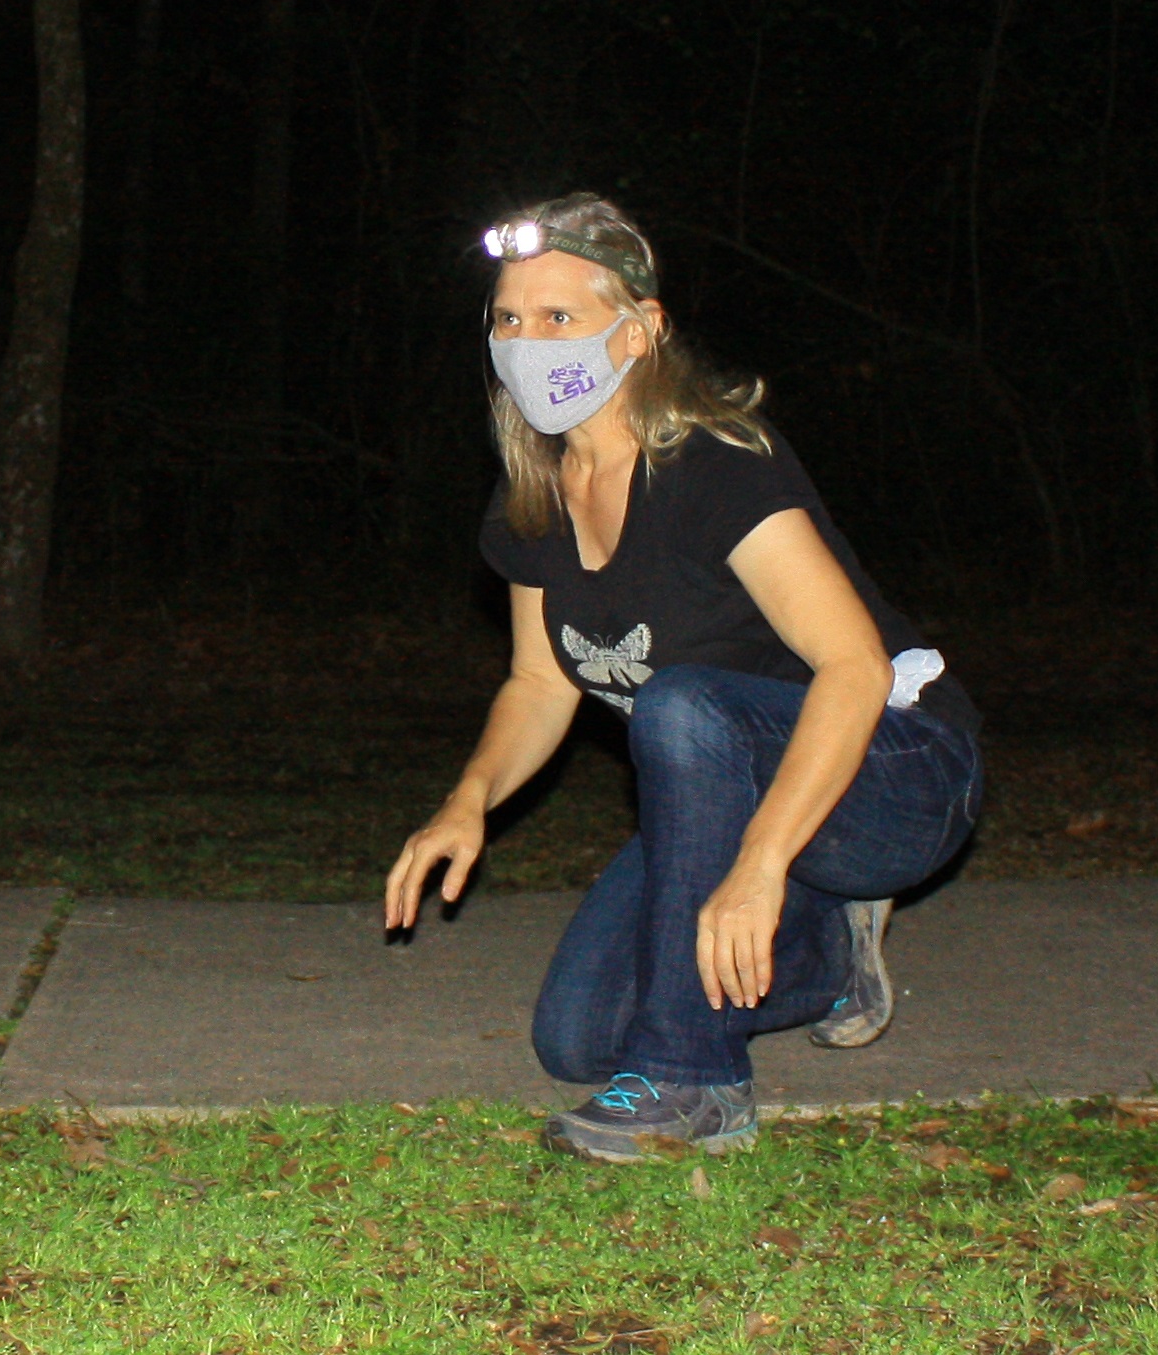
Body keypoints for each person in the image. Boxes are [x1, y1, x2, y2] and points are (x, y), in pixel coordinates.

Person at [383, 194, 983, 1163]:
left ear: (639, 331)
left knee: (679, 701)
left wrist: (756, 867)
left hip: (894, 769)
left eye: (558, 317)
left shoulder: (713, 464)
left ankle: (694, 1085)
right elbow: (540, 683)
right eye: (506, 318)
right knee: (574, 1036)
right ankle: (827, 957)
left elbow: (851, 666)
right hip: (736, 792)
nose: (525, 341)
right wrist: (467, 801)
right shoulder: (530, 496)